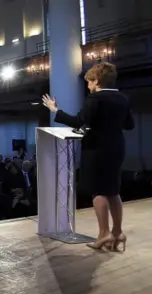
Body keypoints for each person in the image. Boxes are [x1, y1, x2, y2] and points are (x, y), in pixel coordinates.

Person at [42, 62, 134, 252]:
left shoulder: (95, 99)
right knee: (113, 191)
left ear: (97, 81)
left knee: (98, 191)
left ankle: (103, 234)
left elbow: (79, 121)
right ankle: (117, 233)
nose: (88, 86)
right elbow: (129, 125)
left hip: (96, 148)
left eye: (89, 83)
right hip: (117, 147)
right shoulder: (123, 98)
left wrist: (55, 110)